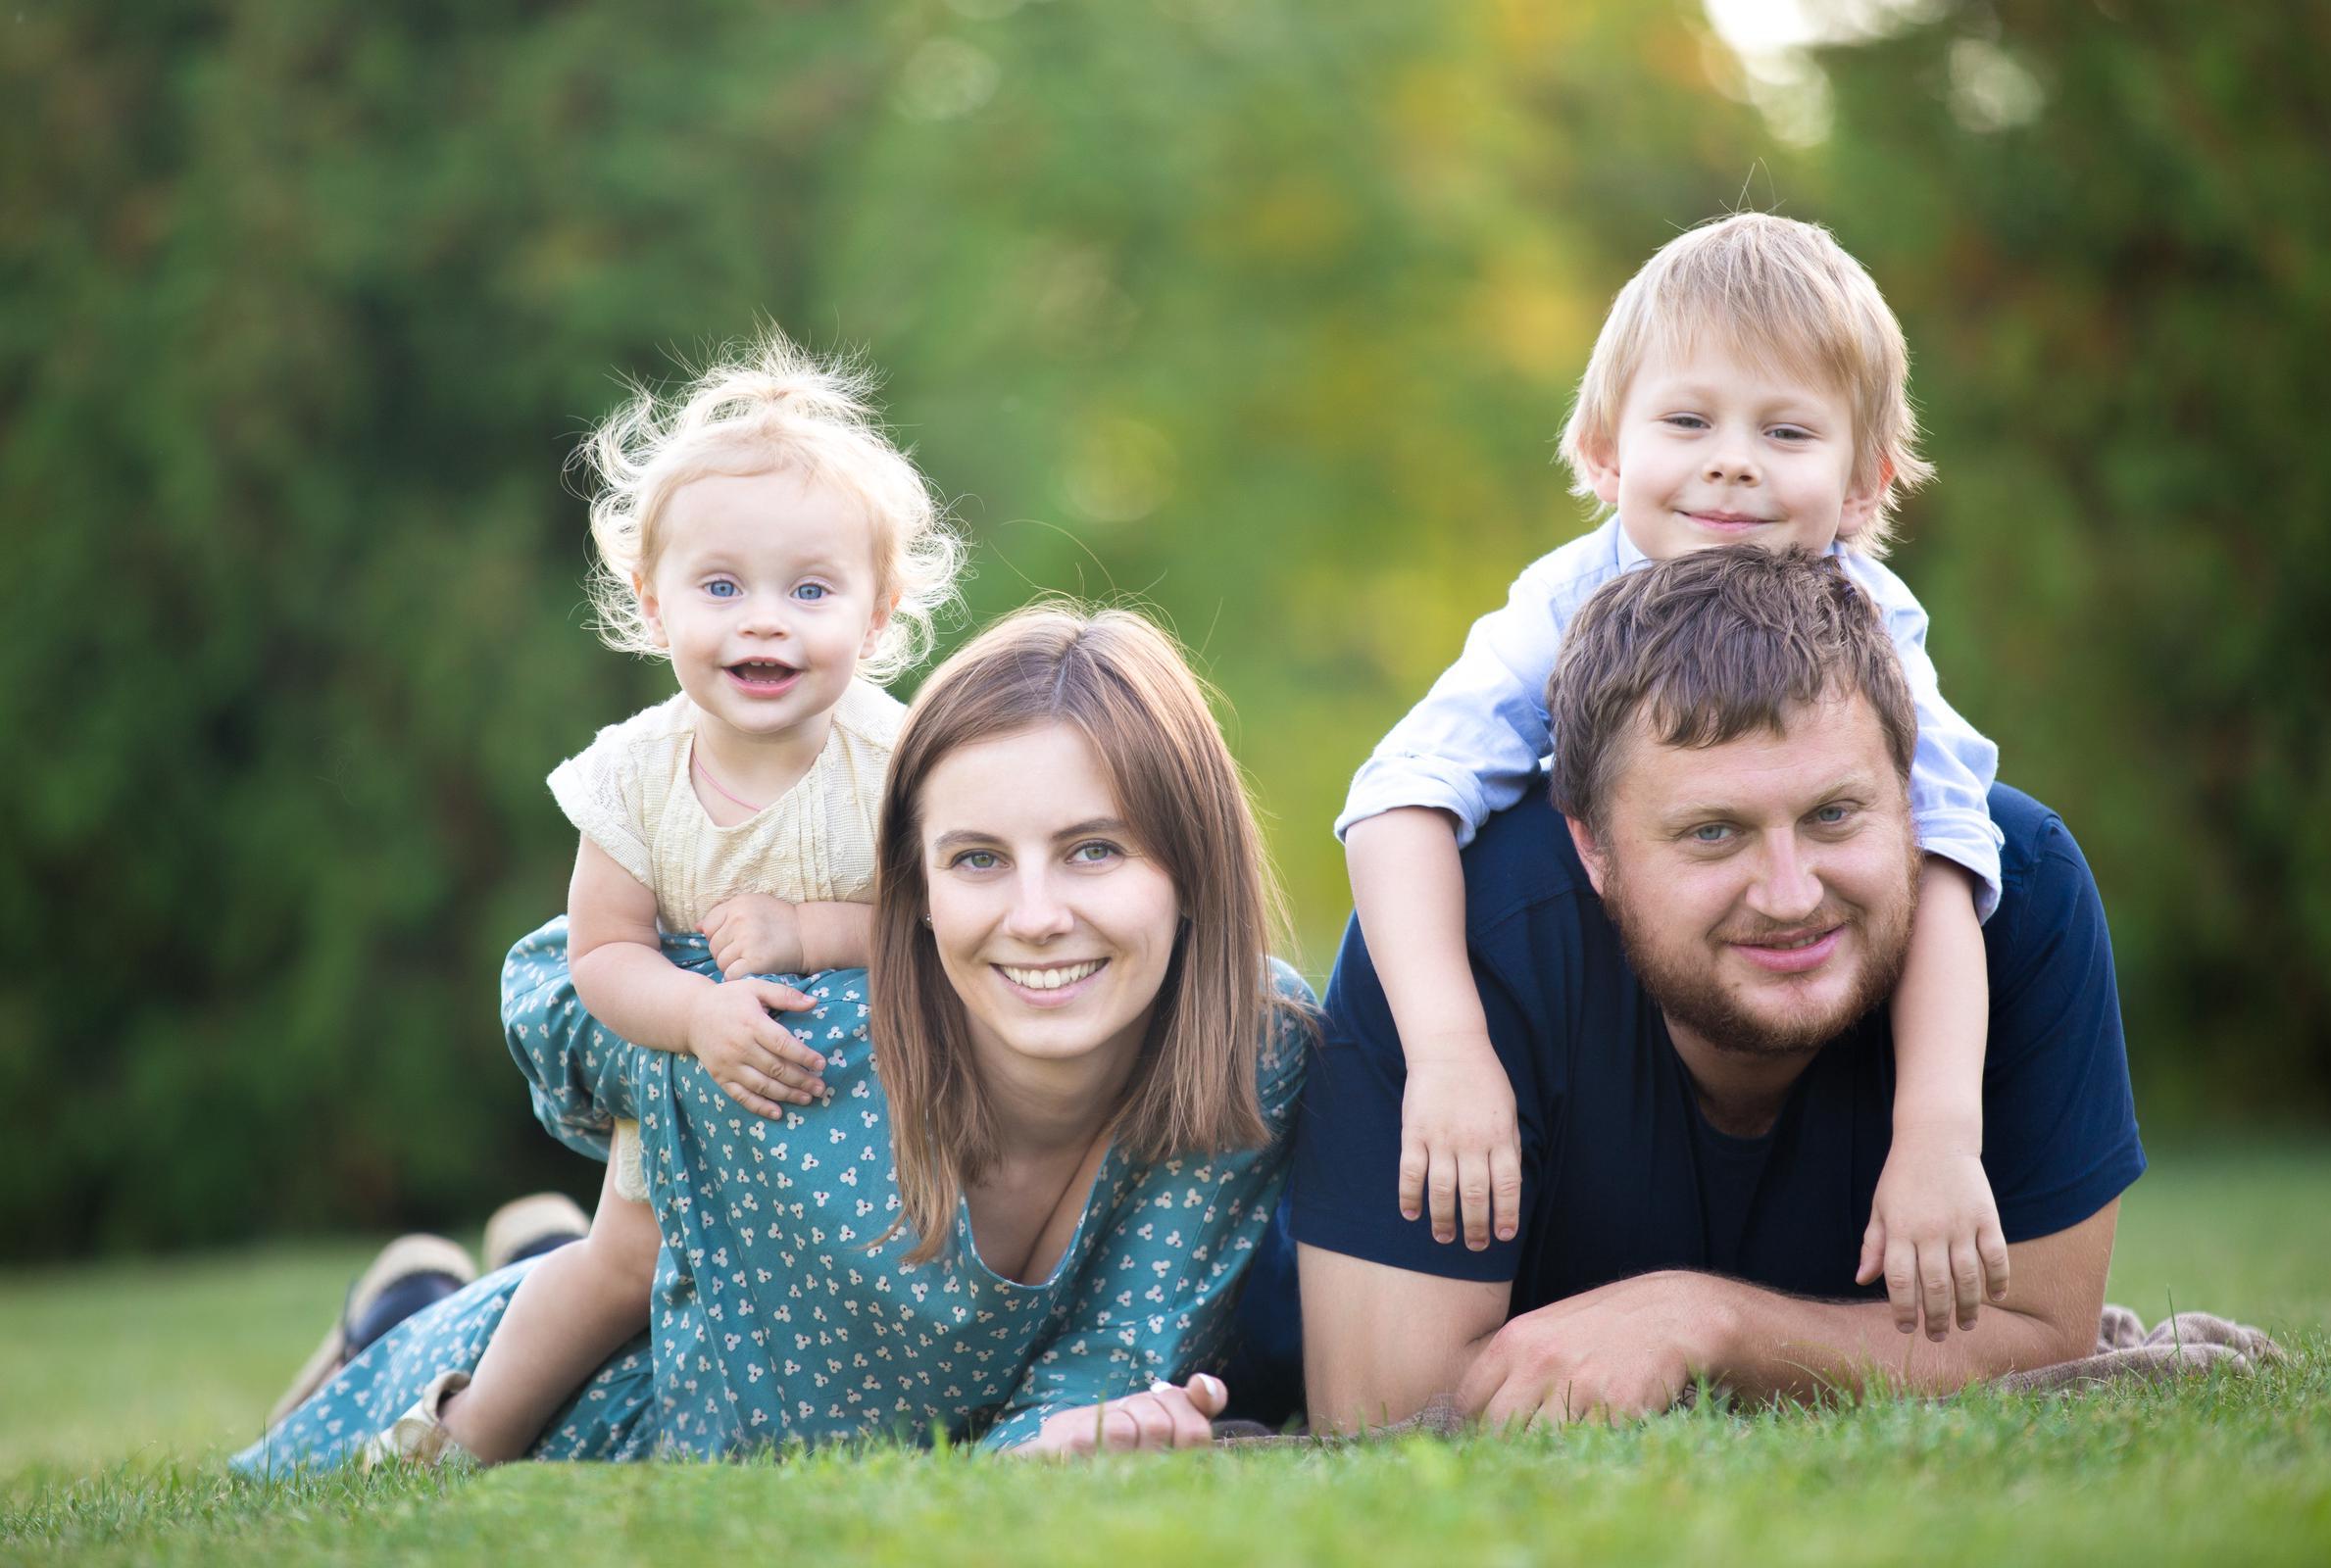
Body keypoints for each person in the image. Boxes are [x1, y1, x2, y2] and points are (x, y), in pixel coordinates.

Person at [236, 605, 1315, 1472]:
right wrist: (679, 1044)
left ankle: (438, 1285)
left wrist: (1061, 1436)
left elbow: (1124, 1340)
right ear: (917, 887)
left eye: (1093, 851)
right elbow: (546, 980)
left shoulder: (1250, 1049)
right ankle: (405, 1314)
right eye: (978, 859)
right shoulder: (815, 1028)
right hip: (583, 1418)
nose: (1035, 914)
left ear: (1193, 868)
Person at [1338, 213, 2009, 1343]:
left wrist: (1938, 1128)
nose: (1732, 459)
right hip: (1587, 977)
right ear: (1605, 451)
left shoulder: (1875, 627)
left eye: (1787, 430)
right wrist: (1450, 1051)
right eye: (1688, 420)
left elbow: (1942, 851)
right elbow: (1397, 796)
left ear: (1862, 485)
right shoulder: (1562, 603)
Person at [1293, 546, 2144, 1429]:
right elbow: (1380, 1406)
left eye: (1834, 815)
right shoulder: (1453, 936)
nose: (1790, 895)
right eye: (1712, 833)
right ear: (1592, 848)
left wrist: (1709, 1326)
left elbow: (2043, 1340)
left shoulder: (2022, 892)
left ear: (1916, 796)